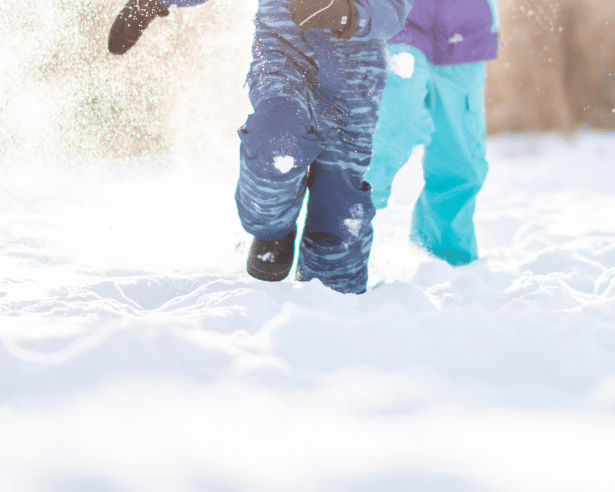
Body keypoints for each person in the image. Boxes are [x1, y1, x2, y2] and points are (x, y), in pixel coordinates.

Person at [108, 0, 412, 294]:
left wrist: (346, 14)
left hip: (356, 78)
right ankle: (273, 228)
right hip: (284, 56)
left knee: (340, 201)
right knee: (277, 141)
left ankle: (334, 301)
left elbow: (394, 9)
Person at [363, 0, 500, 266]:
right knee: (393, 127)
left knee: (461, 159)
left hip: (466, 29)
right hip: (397, 20)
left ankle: (444, 257)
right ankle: (345, 233)